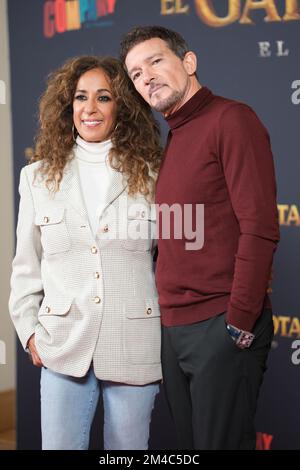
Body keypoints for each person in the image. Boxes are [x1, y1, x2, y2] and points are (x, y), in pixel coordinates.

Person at [120, 26, 280, 450]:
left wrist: (239, 323)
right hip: (175, 328)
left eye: (155, 61)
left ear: (188, 63)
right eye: (136, 73)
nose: (146, 77)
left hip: (219, 325)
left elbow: (260, 227)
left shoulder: (232, 119)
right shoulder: (176, 135)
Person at [9, 55, 162, 450]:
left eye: (104, 97)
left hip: (134, 343)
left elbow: (172, 263)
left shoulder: (153, 174)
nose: (90, 108)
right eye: (80, 97)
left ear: (122, 107)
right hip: (61, 346)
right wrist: (28, 334)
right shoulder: (37, 177)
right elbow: (26, 266)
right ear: (68, 106)